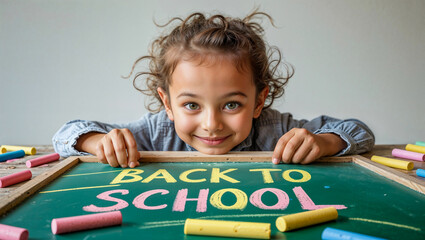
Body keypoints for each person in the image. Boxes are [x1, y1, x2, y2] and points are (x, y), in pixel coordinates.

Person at [52, 10, 375, 168]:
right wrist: (96, 143)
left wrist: (325, 143)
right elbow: (67, 134)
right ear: (167, 103)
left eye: (232, 105)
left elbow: (358, 132)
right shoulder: (156, 132)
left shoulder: (274, 129)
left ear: (259, 101)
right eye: (191, 105)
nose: (211, 124)